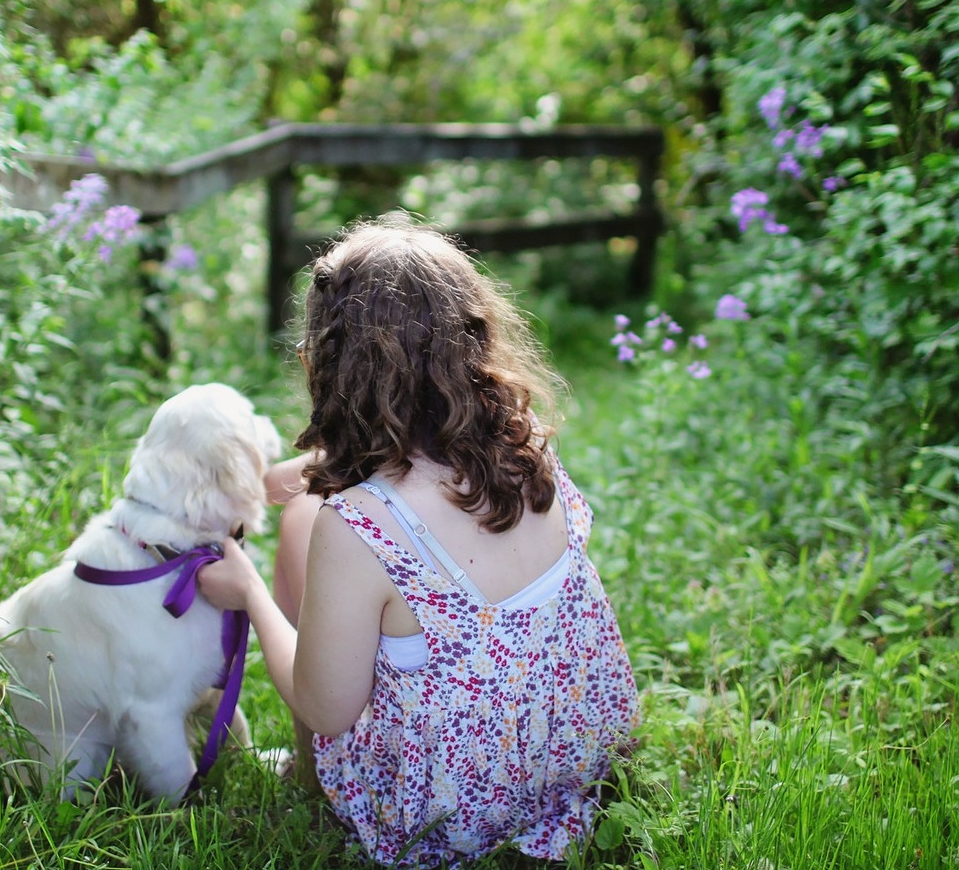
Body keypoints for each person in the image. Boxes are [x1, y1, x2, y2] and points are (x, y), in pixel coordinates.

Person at [196, 220, 639, 867]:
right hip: (575, 749)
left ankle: (309, 777)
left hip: (447, 811)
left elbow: (328, 708)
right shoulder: (526, 443)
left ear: (326, 365)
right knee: (306, 506)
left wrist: (252, 595)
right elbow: (405, 474)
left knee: (300, 520)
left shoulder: (355, 525)